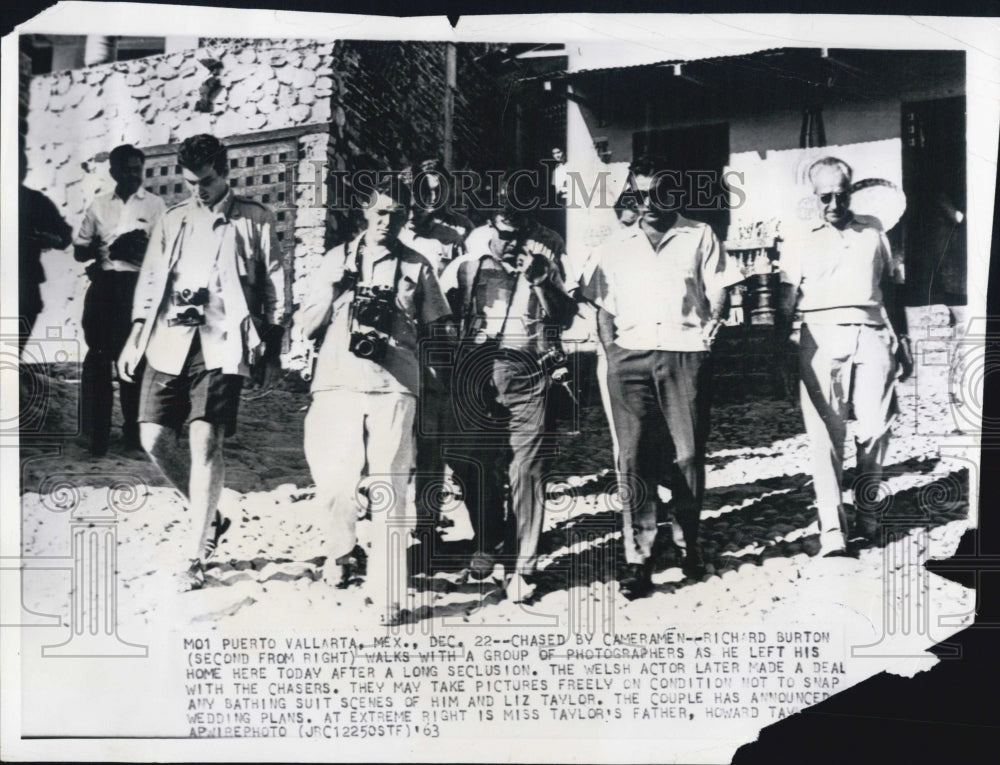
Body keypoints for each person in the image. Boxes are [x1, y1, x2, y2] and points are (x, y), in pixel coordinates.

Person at [118, 134, 286, 587]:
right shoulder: (173, 219)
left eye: (207, 181)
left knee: (205, 442)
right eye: (191, 182)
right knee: (152, 437)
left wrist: (272, 347)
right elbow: (151, 280)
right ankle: (210, 515)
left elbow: (274, 285)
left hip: (222, 343)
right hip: (170, 339)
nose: (199, 190)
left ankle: (195, 555)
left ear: (224, 171)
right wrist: (135, 337)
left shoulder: (254, 218)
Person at [297, 175, 452, 625]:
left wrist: (437, 383)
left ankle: (387, 592)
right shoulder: (334, 261)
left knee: (390, 489)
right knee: (333, 487)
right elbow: (307, 326)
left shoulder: (418, 265)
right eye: (381, 212)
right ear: (365, 213)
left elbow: (437, 329)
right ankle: (342, 550)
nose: (388, 221)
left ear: (407, 218)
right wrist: (338, 288)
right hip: (337, 383)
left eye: (397, 214)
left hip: (395, 387)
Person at [583, 156, 737, 599]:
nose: (649, 203)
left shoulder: (699, 234)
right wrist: (612, 353)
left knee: (687, 456)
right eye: (640, 194)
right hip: (629, 359)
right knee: (633, 459)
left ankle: (687, 542)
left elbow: (719, 287)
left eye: (659, 193)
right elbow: (602, 305)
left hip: (684, 353)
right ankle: (640, 559)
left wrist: (710, 332)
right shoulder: (616, 245)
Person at [441, 195, 577, 602]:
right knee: (470, 461)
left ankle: (523, 565)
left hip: (528, 371)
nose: (512, 245)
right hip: (475, 370)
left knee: (527, 469)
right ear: (489, 231)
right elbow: (440, 315)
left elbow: (566, 315)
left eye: (519, 236)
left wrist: (541, 280)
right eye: (504, 236)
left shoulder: (544, 262)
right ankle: (488, 540)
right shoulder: (465, 267)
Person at [778, 156, 913, 556]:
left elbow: (892, 286)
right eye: (825, 197)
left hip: (872, 333)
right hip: (819, 336)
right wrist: (779, 354)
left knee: (876, 429)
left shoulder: (873, 230)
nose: (834, 204)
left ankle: (868, 515)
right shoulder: (798, 236)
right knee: (825, 436)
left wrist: (901, 338)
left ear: (851, 192)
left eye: (841, 195)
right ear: (814, 197)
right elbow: (786, 299)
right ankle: (833, 530)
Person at [73, 144, 166, 455]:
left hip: (136, 289)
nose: (132, 175)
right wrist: (105, 248)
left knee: (135, 362)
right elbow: (79, 250)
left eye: (136, 170)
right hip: (103, 287)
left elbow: (164, 252)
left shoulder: (156, 206)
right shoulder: (99, 206)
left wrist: (137, 250)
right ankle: (95, 437)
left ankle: (133, 436)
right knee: (98, 359)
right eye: (125, 170)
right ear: (113, 171)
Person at [398, 163, 469, 538]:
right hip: (397, 339)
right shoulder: (389, 228)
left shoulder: (457, 232)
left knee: (431, 431)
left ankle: (426, 518)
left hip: (438, 341)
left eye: (435, 192)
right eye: (421, 192)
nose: (427, 201)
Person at [18, 147, 72, 356]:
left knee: (10, 355)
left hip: (25, 288)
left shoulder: (34, 200)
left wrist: (51, 239)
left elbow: (64, 237)